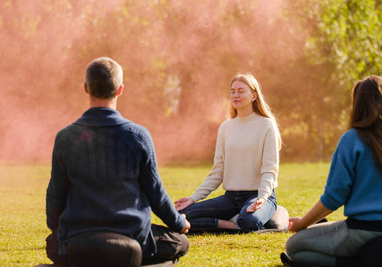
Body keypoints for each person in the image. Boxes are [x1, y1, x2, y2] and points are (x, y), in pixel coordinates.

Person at [45, 57, 190, 266]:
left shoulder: (66, 136)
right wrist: (179, 222)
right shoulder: (138, 136)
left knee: (53, 244)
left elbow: (55, 194)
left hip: (79, 236)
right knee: (180, 242)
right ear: (120, 89)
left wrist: (58, 230)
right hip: (130, 236)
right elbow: (155, 192)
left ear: (86, 88)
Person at [282, 75, 382, 266]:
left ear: (359, 104)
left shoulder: (352, 139)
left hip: (363, 231)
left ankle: (353, 263)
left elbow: (334, 196)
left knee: (294, 247)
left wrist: (302, 224)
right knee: (329, 231)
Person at [174, 72, 282, 231]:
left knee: (249, 221)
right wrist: (193, 198)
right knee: (181, 216)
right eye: (232, 91)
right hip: (231, 198)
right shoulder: (226, 127)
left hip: (258, 195)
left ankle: (254, 217)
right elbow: (218, 171)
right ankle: (232, 223)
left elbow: (270, 169)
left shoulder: (267, 125)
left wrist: (263, 197)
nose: (235, 95)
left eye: (240, 91)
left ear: (253, 96)